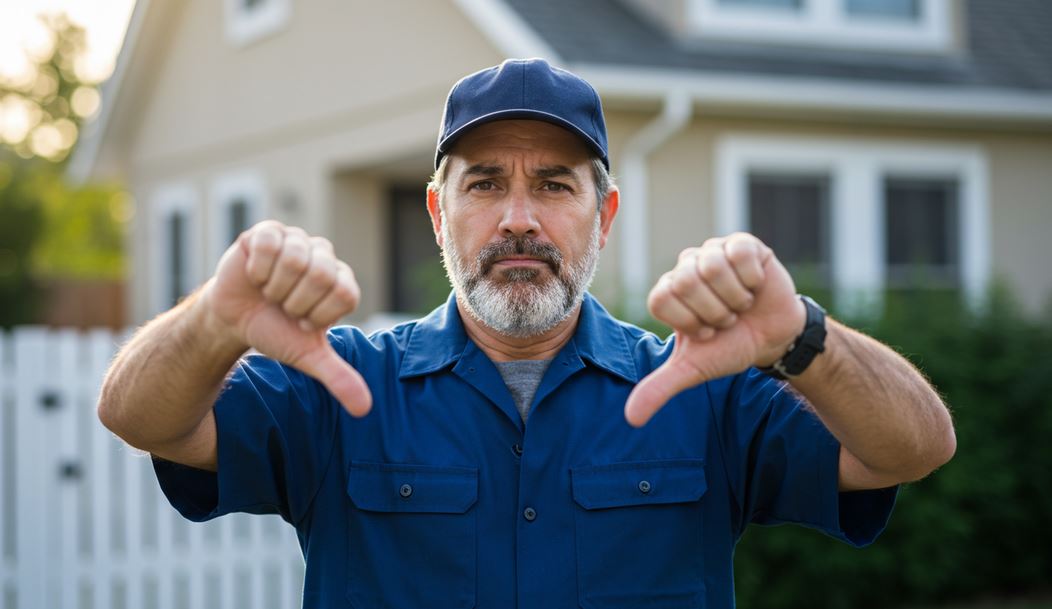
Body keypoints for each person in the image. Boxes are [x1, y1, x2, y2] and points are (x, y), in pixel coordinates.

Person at [97, 58, 955, 609]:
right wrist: (215, 317)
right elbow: (141, 416)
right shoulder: (343, 387)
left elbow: (912, 448)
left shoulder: (704, 389)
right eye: (482, 185)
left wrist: (801, 336)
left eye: (553, 184)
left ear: (603, 214)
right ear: (439, 213)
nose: (517, 219)